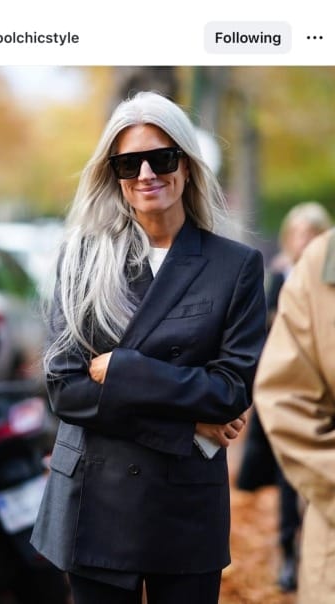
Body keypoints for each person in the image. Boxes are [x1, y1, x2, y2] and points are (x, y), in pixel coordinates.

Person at [31, 90, 267, 604]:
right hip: (93, 501)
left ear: (186, 165)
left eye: (161, 158)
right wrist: (186, 426)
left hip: (184, 506)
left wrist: (125, 370)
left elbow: (229, 391)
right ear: (113, 173)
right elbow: (66, 390)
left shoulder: (235, 266)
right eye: (128, 163)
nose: (145, 174)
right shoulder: (82, 259)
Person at [236, 201, 333, 591]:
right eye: (298, 234)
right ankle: (288, 549)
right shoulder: (296, 273)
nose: (303, 240)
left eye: (310, 232)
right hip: (302, 398)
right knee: (287, 480)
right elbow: (285, 394)